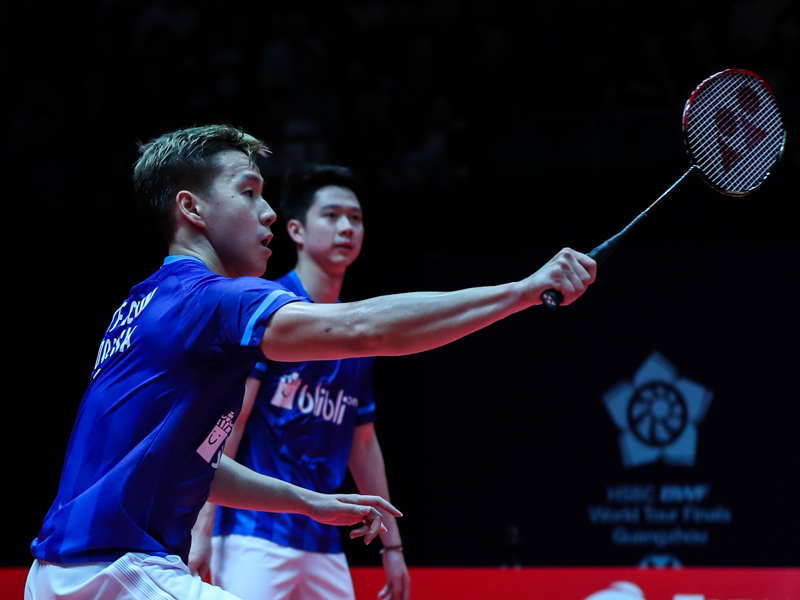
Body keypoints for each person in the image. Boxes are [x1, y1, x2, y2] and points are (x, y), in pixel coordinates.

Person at [26, 124, 596, 600]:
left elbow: (190, 463)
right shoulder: (212, 300)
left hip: (60, 573)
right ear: (191, 207)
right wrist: (523, 291)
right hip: (118, 571)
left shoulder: (144, 302)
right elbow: (367, 328)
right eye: (248, 192)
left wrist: (308, 502)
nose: (268, 211)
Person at [188, 165, 410, 600]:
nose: (346, 227)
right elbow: (230, 423)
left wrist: (393, 545)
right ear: (296, 230)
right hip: (254, 534)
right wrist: (203, 528)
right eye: (331, 215)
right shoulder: (269, 310)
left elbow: (362, 445)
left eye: (355, 217)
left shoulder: (357, 335)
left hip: (325, 538)